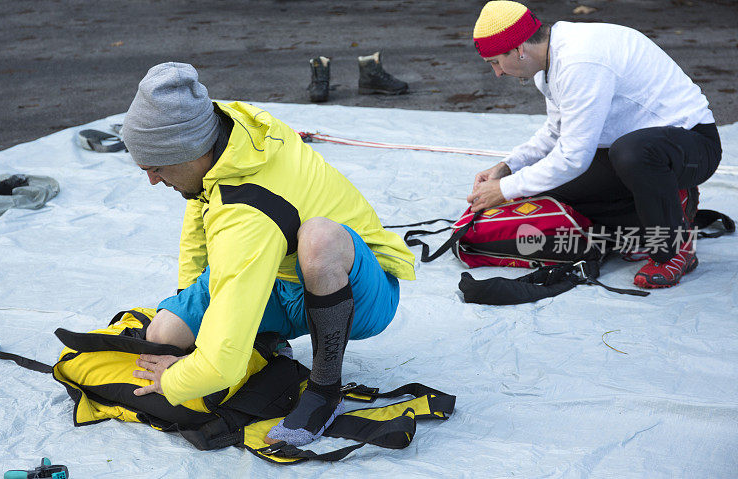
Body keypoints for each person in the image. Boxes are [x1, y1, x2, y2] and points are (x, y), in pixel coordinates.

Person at [119, 62, 416, 447]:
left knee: (318, 238)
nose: (152, 180)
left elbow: (221, 363)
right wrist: (193, 317)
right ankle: (268, 342)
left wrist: (176, 378)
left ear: (189, 152)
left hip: (359, 291)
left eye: (156, 168)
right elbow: (199, 201)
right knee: (165, 332)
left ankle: (325, 390)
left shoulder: (246, 214)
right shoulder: (223, 130)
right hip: (280, 275)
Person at [467, 1, 721, 288]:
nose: (498, 73)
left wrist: (504, 190)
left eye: (495, 62)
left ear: (518, 49)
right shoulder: (549, 60)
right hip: (646, 150)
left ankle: (672, 250)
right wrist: (508, 166)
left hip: (694, 145)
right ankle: (667, 204)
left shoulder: (580, 61)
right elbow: (555, 132)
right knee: (547, 186)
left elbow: (574, 157)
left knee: (630, 153)